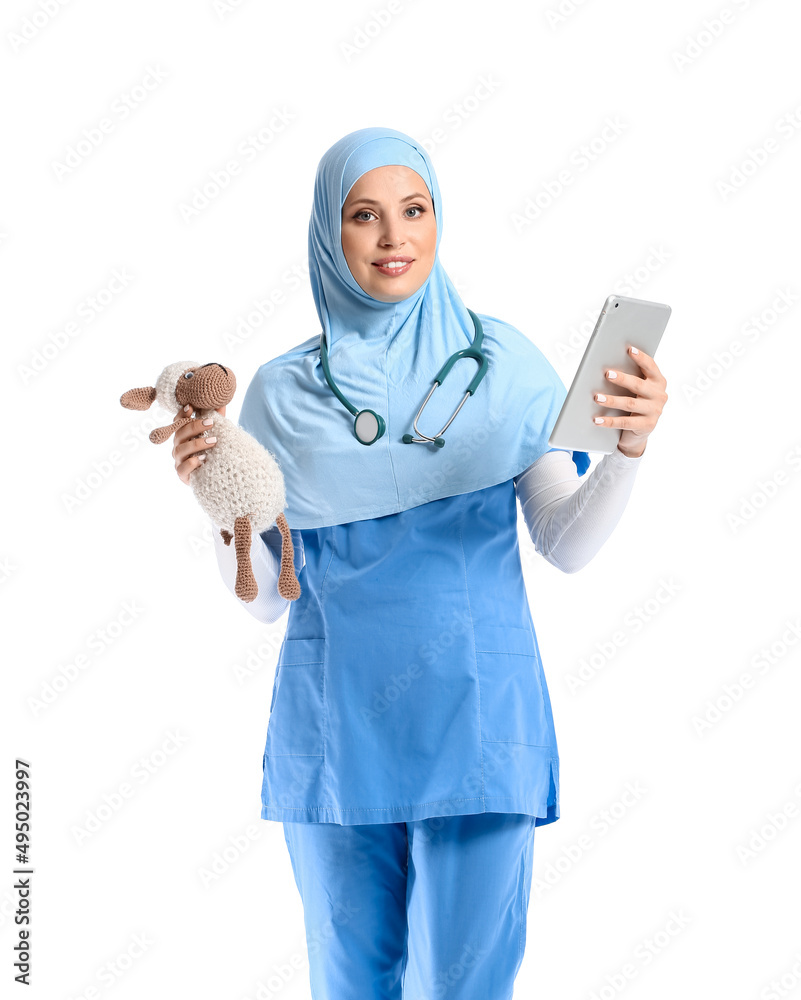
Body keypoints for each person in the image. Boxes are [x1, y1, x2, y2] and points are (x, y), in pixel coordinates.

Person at [171, 127, 668, 1000]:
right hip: (333, 732)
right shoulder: (282, 392)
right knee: (350, 984)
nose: (394, 237)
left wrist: (626, 450)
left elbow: (565, 541)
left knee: (464, 985)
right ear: (330, 234)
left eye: (414, 210)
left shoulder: (504, 363)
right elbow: (262, 603)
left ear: (439, 220)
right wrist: (216, 500)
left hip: (478, 723)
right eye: (364, 216)